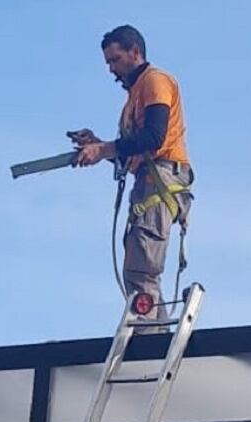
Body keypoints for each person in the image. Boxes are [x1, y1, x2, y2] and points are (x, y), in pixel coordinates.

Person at [69, 25, 193, 315]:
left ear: (135, 52)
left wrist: (103, 149)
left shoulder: (154, 82)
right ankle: (155, 335)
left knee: (142, 272)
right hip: (149, 180)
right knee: (139, 271)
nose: (112, 69)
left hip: (161, 180)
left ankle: (149, 341)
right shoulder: (134, 96)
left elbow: (153, 138)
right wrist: (100, 147)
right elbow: (135, 153)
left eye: (115, 60)